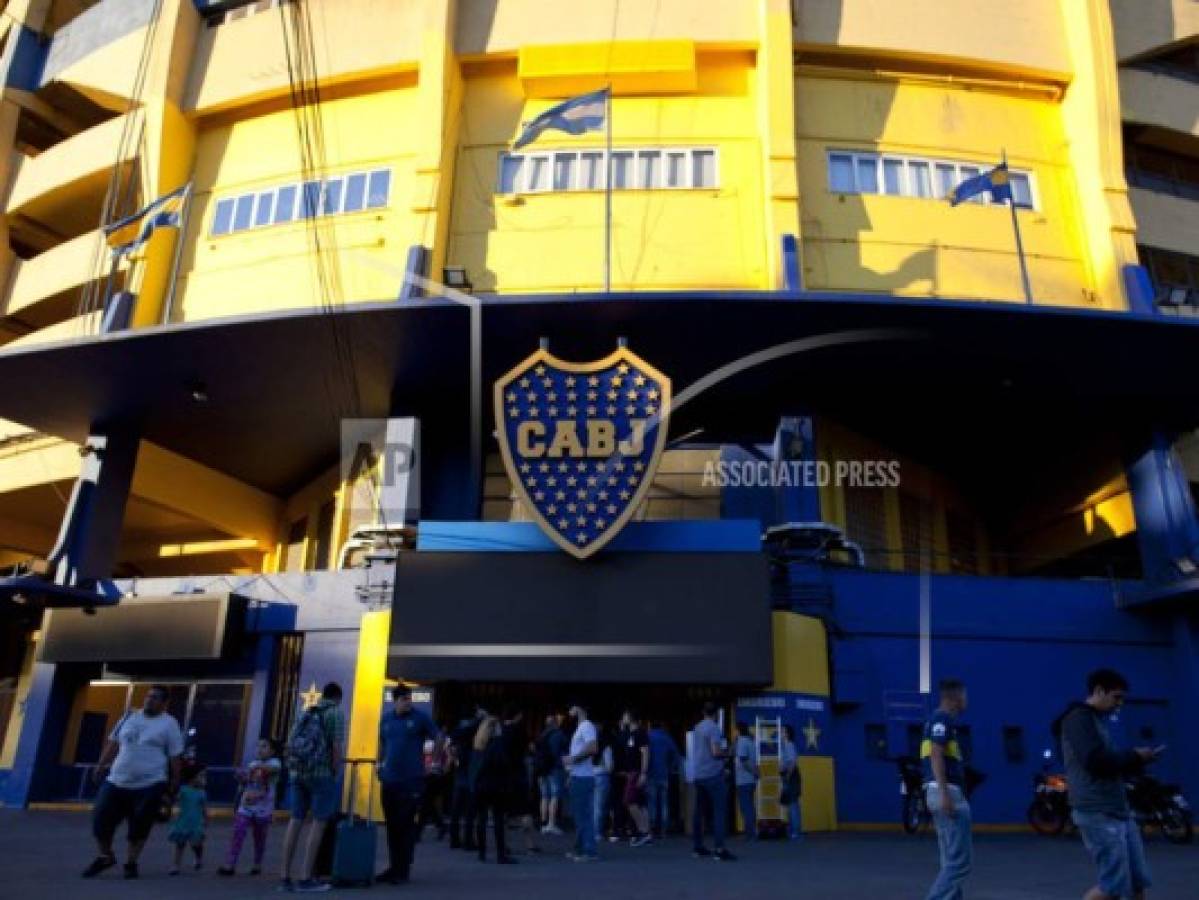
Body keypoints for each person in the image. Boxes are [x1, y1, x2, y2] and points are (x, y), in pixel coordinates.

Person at [1053, 668, 1162, 900]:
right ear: (1099, 691)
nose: (1120, 704)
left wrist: (1138, 760)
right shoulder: (1077, 718)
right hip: (1097, 811)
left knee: (1137, 882)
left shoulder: (1096, 720)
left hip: (1118, 809)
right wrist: (1135, 756)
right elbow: (1095, 761)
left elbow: (1109, 763)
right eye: (1116, 697)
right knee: (1113, 887)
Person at [82, 684, 184, 880]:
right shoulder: (129, 717)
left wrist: (174, 782)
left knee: (140, 825)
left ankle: (131, 862)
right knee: (100, 820)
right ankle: (105, 856)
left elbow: (175, 756)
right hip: (116, 780)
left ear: (164, 703)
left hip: (151, 783)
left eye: (155, 698)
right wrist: (100, 766)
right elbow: (113, 743)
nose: (149, 700)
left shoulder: (169, 723)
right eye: (148, 696)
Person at [279, 681, 346, 893]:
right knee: (318, 823)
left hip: (298, 773)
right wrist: (335, 771)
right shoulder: (335, 713)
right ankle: (306, 876)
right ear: (338, 697)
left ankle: (284, 876)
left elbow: (291, 743)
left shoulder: (307, 712)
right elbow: (336, 747)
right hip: (321, 773)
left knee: (295, 820)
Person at [376, 685, 440, 884]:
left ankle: (402, 869)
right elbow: (382, 743)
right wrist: (379, 764)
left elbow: (438, 736)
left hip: (411, 781)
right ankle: (394, 866)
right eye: (404, 699)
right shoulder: (386, 719)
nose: (408, 702)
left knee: (405, 825)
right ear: (395, 700)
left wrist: (434, 762)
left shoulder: (419, 718)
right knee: (392, 826)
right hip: (390, 780)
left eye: (409, 698)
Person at [921, 678, 972, 900]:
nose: (966, 701)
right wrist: (944, 794)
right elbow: (936, 753)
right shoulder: (942, 719)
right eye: (965, 696)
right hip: (948, 792)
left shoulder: (935, 720)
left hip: (939, 792)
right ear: (955, 698)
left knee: (949, 861)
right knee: (960, 863)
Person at [219, 737, 282, 876]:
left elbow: (270, 770)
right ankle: (230, 864)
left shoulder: (275, 763)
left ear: (272, 751)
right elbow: (247, 781)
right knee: (238, 833)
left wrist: (253, 770)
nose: (259, 749)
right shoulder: (253, 763)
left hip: (263, 809)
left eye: (264, 746)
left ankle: (257, 864)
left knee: (259, 837)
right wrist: (242, 777)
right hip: (246, 805)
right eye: (258, 746)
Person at [691, 702, 735, 861]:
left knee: (699, 812)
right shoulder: (714, 728)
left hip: (699, 774)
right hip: (713, 775)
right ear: (715, 714)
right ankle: (719, 849)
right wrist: (728, 753)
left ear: (703, 712)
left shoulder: (697, 727)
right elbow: (715, 752)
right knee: (719, 811)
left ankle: (697, 847)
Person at [471, 713, 517, 863]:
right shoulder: (498, 744)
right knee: (498, 820)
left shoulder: (478, 744)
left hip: (481, 785)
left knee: (481, 819)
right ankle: (500, 854)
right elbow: (503, 764)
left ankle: (482, 852)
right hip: (496, 786)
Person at [502, 707, 541, 855]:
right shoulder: (520, 731)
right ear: (517, 716)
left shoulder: (500, 731)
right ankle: (529, 844)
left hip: (505, 775)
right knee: (525, 810)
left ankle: (505, 843)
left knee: (505, 812)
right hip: (519, 774)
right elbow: (531, 748)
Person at [564, 703, 599, 862]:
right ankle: (580, 848)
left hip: (583, 777)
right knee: (580, 815)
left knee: (584, 815)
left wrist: (574, 759)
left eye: (571, 707)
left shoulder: (586, 726)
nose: (569, 711)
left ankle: (589, 851)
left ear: (579, 708)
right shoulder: (582, 727)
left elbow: (593, 748)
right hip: (579, 776)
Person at [448, 707, 485, 850]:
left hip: (460, 769)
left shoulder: (459, 728)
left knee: (456, 809)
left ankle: (454, 839)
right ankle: (468, 841)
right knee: (470, 810)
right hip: (471, 769)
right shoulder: (476, 727)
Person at [618, 709, 653, 846]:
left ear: (630, 718)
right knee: (639, 802)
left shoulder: (640, 733)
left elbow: (645, 752)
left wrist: (644, 772)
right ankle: (647, 833)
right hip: (631, 771)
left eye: (625, 716)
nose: (623, 718)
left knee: (629, 801)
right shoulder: (629, 734)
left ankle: (643, 831)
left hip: (637, 771)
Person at [168, 767, 208, 875]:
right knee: (180, 843)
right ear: (192, 778)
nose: (203, 779)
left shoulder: (201, 793)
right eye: (201, 776)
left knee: (196, 844)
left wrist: (205, 820)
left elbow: (204, 808)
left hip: (196, 822)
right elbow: (176, 800)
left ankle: (198, 858)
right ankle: (176, 865)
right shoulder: (183, 789)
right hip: (183, 821)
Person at [646, 719, 680, 838]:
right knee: (664, 803)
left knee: (652, 803)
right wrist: (671, 768)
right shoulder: (667, 737)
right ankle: (664, 830)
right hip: (664, 774)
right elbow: (676, 755)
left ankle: (652, 829)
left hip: (651, 774)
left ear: (650, 725)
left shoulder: (648, 737)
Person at [536, 713, 567, 835]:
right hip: (555, 768)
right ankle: (551, 823)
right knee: (554, 796)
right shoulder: (559, 735)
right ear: (555, 723)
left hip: (542, 769)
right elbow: (565, 750)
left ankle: (543, 824)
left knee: (544, 796)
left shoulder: (542, 735)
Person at [733, 721, 759, 841]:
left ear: (739, 730)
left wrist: (751, 771)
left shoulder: (742, 742)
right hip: (750, 780)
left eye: (735, 730)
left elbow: (743, 760)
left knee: (745, 807)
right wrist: (755, 772)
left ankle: (750, 834)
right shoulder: (751, 741)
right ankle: (752, 831)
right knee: (750, 806)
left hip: (743, 779)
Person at [779, 724, 803, 841]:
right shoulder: (786, 746)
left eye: (782, 731)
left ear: (787, 734)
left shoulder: (789, 745)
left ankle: (796, 833)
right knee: (791, 804)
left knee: (793, 805)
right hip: (788, 776)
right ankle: (793, 831)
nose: (780, 733)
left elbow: (792, 762)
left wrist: (787, 776)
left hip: (791, 777)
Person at [594, 721, 615, 842]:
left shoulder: (588, 746)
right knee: (600, 806)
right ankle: (597, 832)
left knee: (592, 805)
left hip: (590, 775)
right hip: (602, 775)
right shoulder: (606, 748)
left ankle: (592, 831)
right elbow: (609, 766)